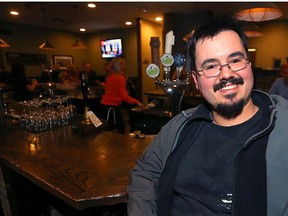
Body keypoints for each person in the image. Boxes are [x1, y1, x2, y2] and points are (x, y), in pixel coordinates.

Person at [127, 15, 288, 216]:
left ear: (248, 63)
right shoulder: (180, 126)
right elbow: (145, 172)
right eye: (211, 66)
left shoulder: (283, 129)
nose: (226, 74)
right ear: (195, 80)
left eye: (235, 60)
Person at [100, 57, 143, 134]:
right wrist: (137, 102)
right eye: (122, 64)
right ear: (118, 66)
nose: (124, 66)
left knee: (111, 128)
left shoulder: (110, 76)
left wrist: (123, 91)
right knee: (119, 129)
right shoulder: (120, 78)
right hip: (111, 107)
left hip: (105, 106)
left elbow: (112, 90)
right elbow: (124, 97)